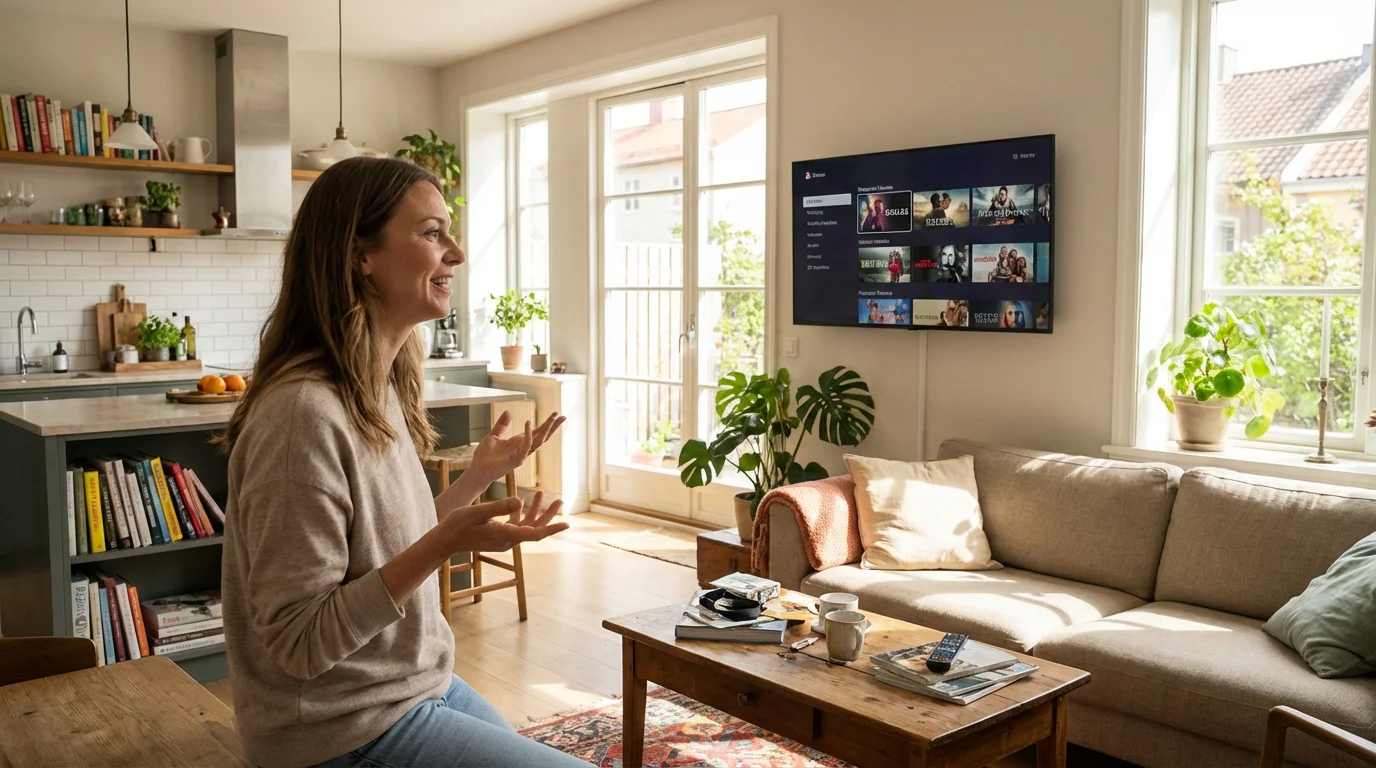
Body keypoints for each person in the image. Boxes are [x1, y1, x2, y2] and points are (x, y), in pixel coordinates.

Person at [217, 157, 587, 768]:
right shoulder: (302, 416)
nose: (458, 253)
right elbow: (299, 642)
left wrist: (475, 479)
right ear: (360, 254)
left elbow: (382, 549)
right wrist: (442, 545)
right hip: (339, 732)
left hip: (409, 690)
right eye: (432, 233)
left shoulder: (375, 385)